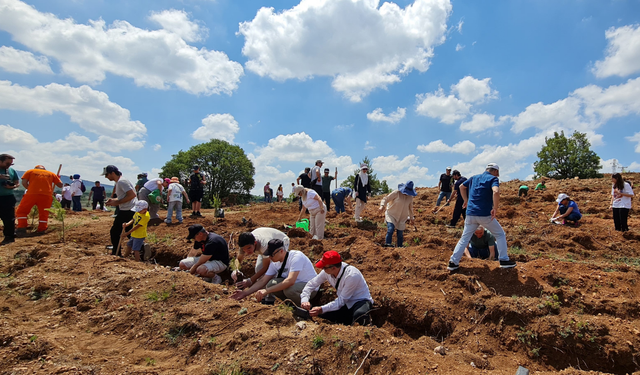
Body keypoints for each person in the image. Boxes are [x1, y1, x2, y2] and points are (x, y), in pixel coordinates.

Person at [447, 163, 516, 271]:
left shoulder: (474, 177)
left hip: (470, 214)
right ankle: (503, 260)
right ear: (496, 172)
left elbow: (461, 187)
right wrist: (495, 208)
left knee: (464, 239)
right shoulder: (493, 179)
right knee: (500, 234)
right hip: (484, 214)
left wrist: (466, 200)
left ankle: (453, 262)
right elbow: (496, 191)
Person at [230, 239, 318, 306]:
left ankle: (303, 308)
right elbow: (263, 281)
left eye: (272, 254)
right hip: (296, 287)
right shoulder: (275, 263)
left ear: (281, 251)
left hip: (310, 287)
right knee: (271, 284)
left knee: (289, 290)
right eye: (269, 254)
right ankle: (291, 305)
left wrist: (266, 291)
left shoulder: (296, 257)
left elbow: (290, 281)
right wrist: (245, 293)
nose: (270, 257)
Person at [301, 250, 373, 326]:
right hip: (345, 303)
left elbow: (341, 301)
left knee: (359, 315)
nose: (323, 269)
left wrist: (321, 309)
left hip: (359, 301)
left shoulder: (351, 275)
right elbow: (311, 284)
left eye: (324, 267)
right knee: (323, 315)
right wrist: (304, 300)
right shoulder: (327, 272)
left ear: (333, 268)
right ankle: (348, 321)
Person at [15, 165, 62, 236]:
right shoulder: (51, 174)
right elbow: (60, 185)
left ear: (35, 168)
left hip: (31, 195)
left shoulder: (30, 171)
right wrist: (57, 178)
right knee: (44, 213)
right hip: (46, 196)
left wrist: (30, 188)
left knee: (22, 211)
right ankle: (42, 229)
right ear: (44, 169)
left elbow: (24, 182)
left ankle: (22, 227)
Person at [103, 165, 137, 256]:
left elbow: (132, 195)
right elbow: (125, 196)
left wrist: (117, 202)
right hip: (129, 209)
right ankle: (141, 249)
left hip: (128, 210)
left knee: (115, 231)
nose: (106, 177)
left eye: (107, 175)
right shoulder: (120, 181)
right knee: (129, 231)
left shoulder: (122, 182)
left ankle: (116, 252)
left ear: (112, 173)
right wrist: (113, 200)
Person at [379, 181, 416, 247]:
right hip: (391, 214)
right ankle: (388, 245)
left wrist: (411, 218)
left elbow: (410, 208)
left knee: (400, 234)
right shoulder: (396, 193)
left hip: (402, 217)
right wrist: (382, 206)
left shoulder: (410, 198)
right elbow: (386, 199)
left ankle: (400, 247)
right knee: (390, 229)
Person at [0, 154, 19, 245]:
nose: (9, 166)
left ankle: (9, 236)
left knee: (9, 218)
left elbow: (17, 182)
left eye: (11, 164)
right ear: (0, 161)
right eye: (7, 163)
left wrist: (12, 186)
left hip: (7, 197)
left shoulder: (11, 171)